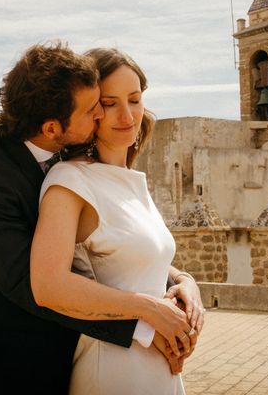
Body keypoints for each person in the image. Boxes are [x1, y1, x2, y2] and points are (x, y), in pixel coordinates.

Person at [0, 42, 202, 394]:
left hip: (80, 356)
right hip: (18, 370)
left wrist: (181, 280)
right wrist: (145, 325)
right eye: (95, 109)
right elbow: (35, 285)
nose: (102, 115)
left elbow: (109, 245)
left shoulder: (73, 163)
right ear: (52, 127)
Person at [30, 47, 202, 394]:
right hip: (112, 369)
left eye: (135, 99)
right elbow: (48, 286)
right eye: (110, 103)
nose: (127, 115)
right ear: (91, 109)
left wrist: (186, 284)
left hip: (161, 368)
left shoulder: (130, 178)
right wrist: (151, 310)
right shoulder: (70, 180)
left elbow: (135, 262)